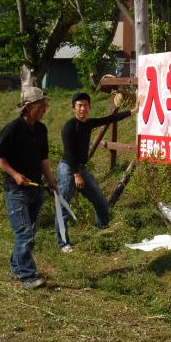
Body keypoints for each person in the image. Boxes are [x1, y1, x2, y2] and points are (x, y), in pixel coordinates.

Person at [0, 87, 57, 289]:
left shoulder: (41, 129)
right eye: (41, 106)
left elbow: (43, 159)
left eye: (46, 105)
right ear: (29, 107)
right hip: (16, 191)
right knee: (24, 233)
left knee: (29, 231)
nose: (45, 109)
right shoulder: (12, 129)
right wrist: (15, 174)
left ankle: (16, 268)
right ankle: (28, 276)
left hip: (36, 189)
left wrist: (52, 182)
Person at [55, 92, 139, 252]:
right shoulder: (69, 127)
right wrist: (76, 174)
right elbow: (68, 152)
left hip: (81, 168)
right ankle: (63, 243)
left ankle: (103, 231)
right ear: (74, 108)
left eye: (85, 105)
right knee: (64, 206)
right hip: (68, 168)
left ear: (89, 107)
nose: (83, 108)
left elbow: (109, 119)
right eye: (79, 105)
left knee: (101, 202)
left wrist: (132, 111)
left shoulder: (89, 123)